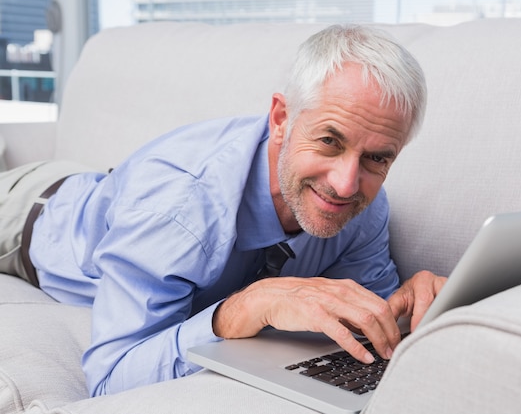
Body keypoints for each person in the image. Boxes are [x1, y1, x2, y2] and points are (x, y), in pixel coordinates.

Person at [0, 24, 445, 397]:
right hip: (27, 209)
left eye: (377, 158)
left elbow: (370, 323)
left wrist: (416, 305)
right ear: (280, 119)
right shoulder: (178, 208)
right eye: (330, 141)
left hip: (116, 194)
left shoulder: (364, 207)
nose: (347, 184)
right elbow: (111, 378)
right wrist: (236, 312)